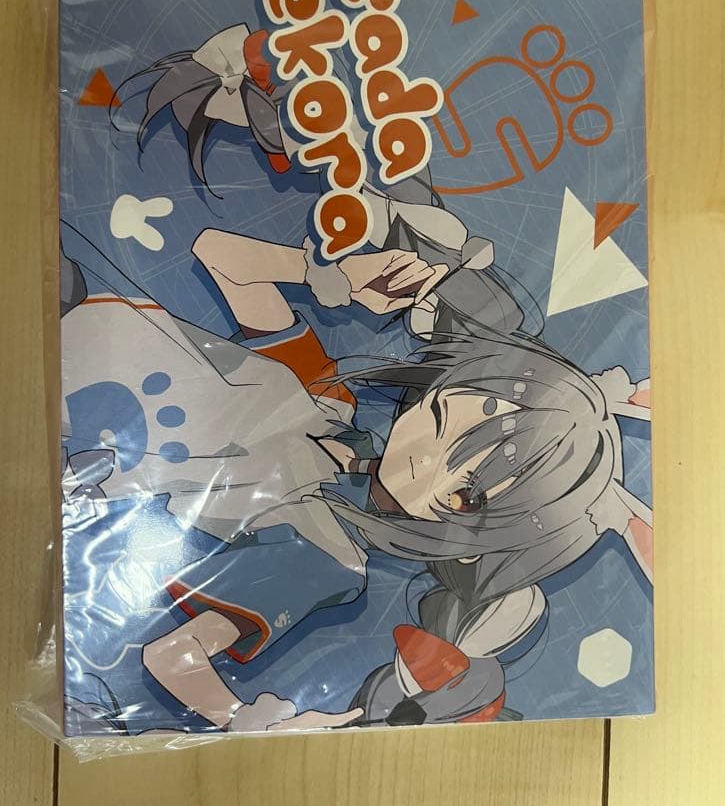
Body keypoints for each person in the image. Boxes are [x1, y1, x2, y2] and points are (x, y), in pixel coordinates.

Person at [60, 213, 651, 733]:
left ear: (475, 541)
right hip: (77, 308)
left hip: (55, 441)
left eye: (466, 494)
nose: (428, 459)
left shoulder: (323, 554)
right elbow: (220, 255)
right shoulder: (329, 404)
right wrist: (332, 279)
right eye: (447, 413)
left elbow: (172, 655)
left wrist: (247, 720)